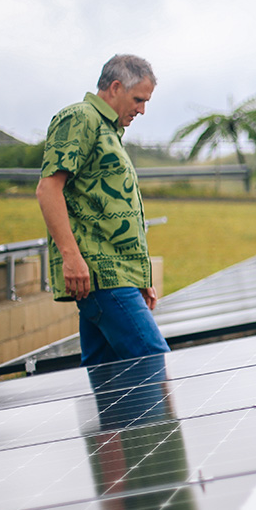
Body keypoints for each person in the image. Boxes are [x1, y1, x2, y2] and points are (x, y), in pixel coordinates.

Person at [36, 54, 169, 366]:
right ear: (115, 87)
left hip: (118, 275)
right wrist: (71, 257)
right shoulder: (80, 118)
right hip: (101, 275)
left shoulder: (108, 130)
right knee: (154, 364)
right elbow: (48, 188)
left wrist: (140, 277)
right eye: (138, 99)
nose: (142, 110)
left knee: (107, 376)